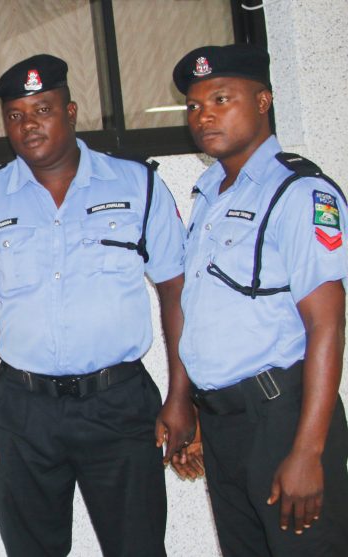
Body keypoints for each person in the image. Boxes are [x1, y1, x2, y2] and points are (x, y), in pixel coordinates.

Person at [0, 54, 195, 556]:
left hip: (118, 404)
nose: (28, 126)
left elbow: (176, 289)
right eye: (15, 115)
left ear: (70, 112)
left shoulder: (138, 185)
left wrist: (182, 396)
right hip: (22, 412)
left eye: (42, 109)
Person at [173, 43, 348, 555]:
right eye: (194, 105)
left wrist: (308, 452)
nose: (204, 114)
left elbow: (327, 325)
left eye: (221, 98)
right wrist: (205, 414)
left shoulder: (298, 192)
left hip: (284, 419)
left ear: (264, 100)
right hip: (227, 425)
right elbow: (217, 317)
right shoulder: (209, 194)